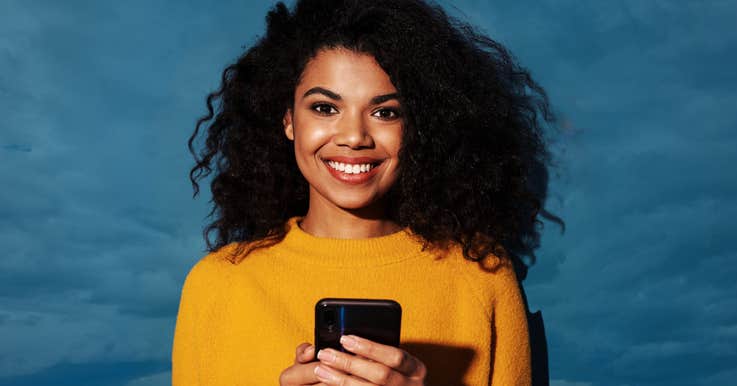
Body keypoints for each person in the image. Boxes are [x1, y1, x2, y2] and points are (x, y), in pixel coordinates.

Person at [173, 0, 558, 384]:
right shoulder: (217, 286)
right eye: (325, 108)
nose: (354, 137)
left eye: (385, 112)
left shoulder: (481, 277)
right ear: (289, 120)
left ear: (418, 128)